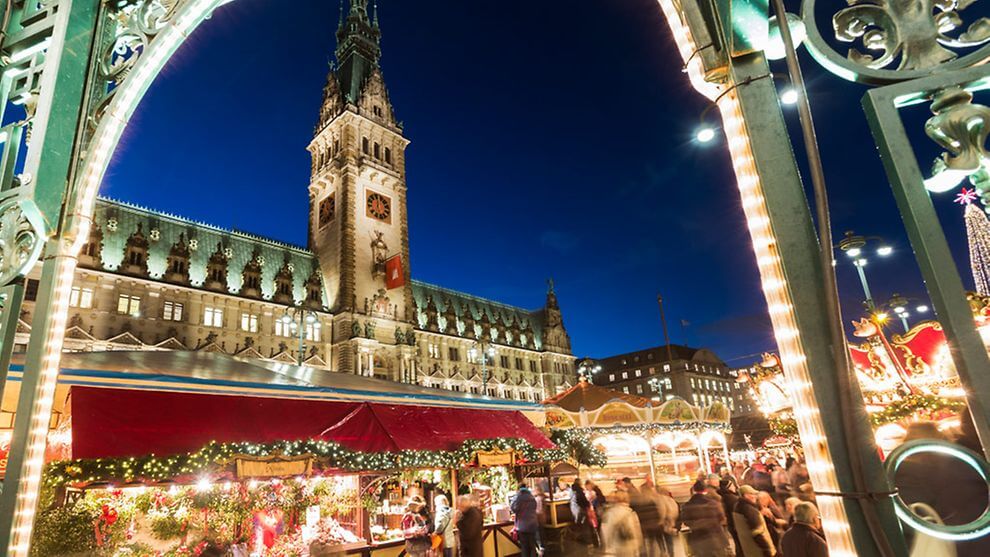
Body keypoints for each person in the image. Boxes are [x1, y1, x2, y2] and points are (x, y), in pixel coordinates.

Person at [679, 480, 730, 557]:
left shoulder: (687, 506)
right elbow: (721, 518)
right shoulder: (714, 503)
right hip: (716, 538)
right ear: (705, 489)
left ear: (694, 490)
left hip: (698, 539)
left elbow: (686, 521)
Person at [733, 485, 776, 557]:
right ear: (746, 495)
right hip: (758, 550)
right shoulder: (750, 509)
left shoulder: (737, 507)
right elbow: (757, 532)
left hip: (748, 548)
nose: (755, 496)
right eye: (752, 494)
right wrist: (766, 550)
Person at [601, 490, 643, 557]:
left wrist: (608, 549)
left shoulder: (610, 514)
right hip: (630, 548)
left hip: (616, 548)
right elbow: (637, 533)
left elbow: (607, 533)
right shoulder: (631, 513)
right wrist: (637, 548)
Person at [637, 481, 665, 557]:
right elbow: (659, 512)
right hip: (656, 525)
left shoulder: (640, 502)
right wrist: (661, 520)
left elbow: (640, 516)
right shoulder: (654, 500)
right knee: (660, 541)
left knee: (650, 544)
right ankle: (663, 553)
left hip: (647, 527)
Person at [511, 485, 540, 557]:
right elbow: (535, 507)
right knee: (532, 546)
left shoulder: (518, 497)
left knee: (524, 548)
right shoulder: (532, 497)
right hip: (533, 524)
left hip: (522, 526)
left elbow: (513, 508)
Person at [719, 478, 742, 555]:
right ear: (728, 487)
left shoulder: (723, 496)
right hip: (735, 524)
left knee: (737, 543)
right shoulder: (731, 498)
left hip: (731, 524)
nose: (734, 487)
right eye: (732, 486)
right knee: (740, 544)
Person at [656, 485, 679, 557]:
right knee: (669, 540)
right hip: (671, 523)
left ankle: (663, 553)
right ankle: (671, 554)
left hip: (663, 523)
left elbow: (662, 511)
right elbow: (676, 511)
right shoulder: (672, 500)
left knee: (660, 539)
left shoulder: (660, 500)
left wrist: (661, 520)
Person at [570, 478, 593, 546]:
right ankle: (586, 540)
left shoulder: (572, 490)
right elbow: (582, 501)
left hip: (574, 510)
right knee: (585, 525)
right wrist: (588, 505)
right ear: (579, 483)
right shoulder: (579, 491)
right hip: (580, 510)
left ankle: (579, 538)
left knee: (579, 525)